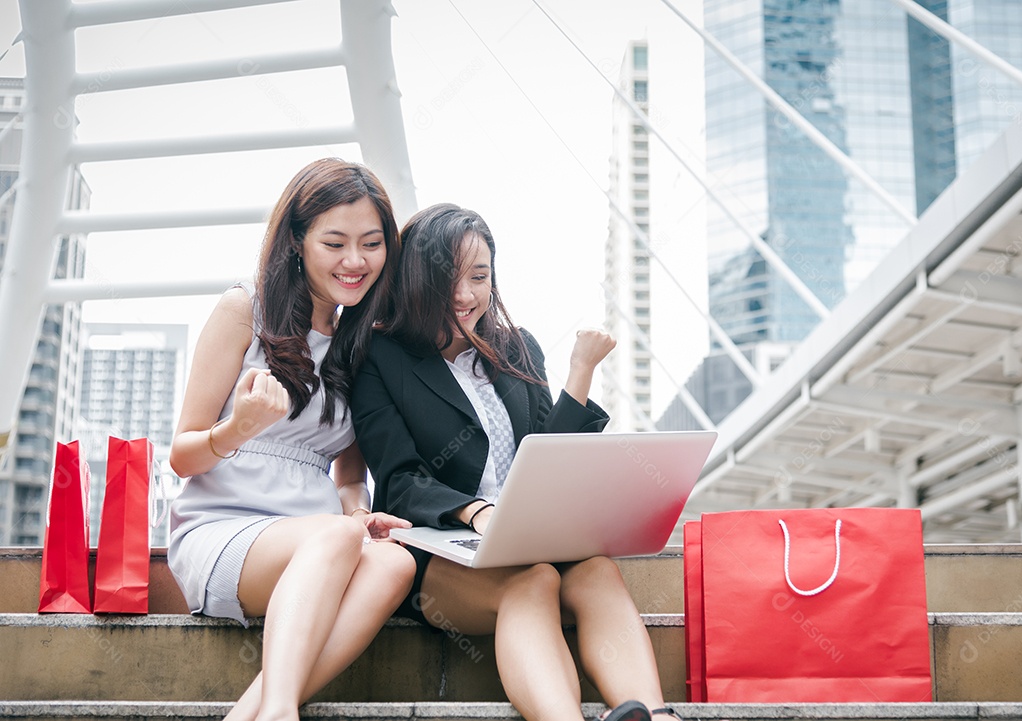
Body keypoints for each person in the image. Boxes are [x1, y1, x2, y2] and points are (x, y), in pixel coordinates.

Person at [351, 203, 680, 721]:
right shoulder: (381, 357)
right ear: (415, 279)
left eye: (478, 277)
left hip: (534, 539)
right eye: (446, 280)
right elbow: (400, 479)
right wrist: (477, 512)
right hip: (443, 554)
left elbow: (549, 454)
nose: (464, 295)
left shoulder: (516, 347)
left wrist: (580, 373)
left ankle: (657, 719)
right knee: (532, 582)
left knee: (595, 569)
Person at [167, 158, 415, 721]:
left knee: (394, 565)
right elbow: (182, 455)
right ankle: (280, 712)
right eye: (334, 242)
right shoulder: (244, 310)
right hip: (224, 530)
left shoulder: (363, 341)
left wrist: (359, 514)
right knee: (334, 539)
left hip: (319, 538)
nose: (355, 262)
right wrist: (238, 429)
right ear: (297, 240)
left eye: (372, 244)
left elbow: (349, 478)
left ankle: (255, 712)